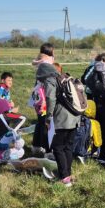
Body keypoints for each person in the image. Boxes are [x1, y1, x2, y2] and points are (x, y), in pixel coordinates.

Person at [40, 57, 81, 186]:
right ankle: (68, 173)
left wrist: (48, 117)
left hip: (62, 119)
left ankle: (64, 178)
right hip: (75, 117)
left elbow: (50, 99)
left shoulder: (50, 80)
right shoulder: (66, 77)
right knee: (68, 147)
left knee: (58, 147)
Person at [31, 43, 55, 152]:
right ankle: (46, 148)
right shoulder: (47, 63)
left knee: (40, 121)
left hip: (38, 97)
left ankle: (36, 145)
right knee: (46, 124)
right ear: (50, 51)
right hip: (45, 98)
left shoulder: (40, 62)